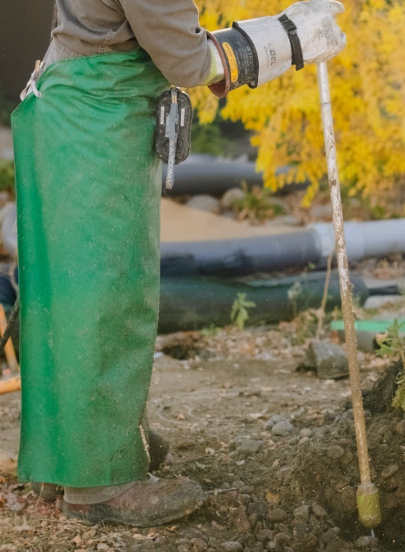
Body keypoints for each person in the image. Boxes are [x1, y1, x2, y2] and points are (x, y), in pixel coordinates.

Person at [12, 0, 346, 527]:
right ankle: (100, 481)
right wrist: (289, 39)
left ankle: (72, 454)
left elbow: (165, 35)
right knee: (107, 300)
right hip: (95, 121)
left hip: (78, 107)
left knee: (65, 295)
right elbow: (188, 63)